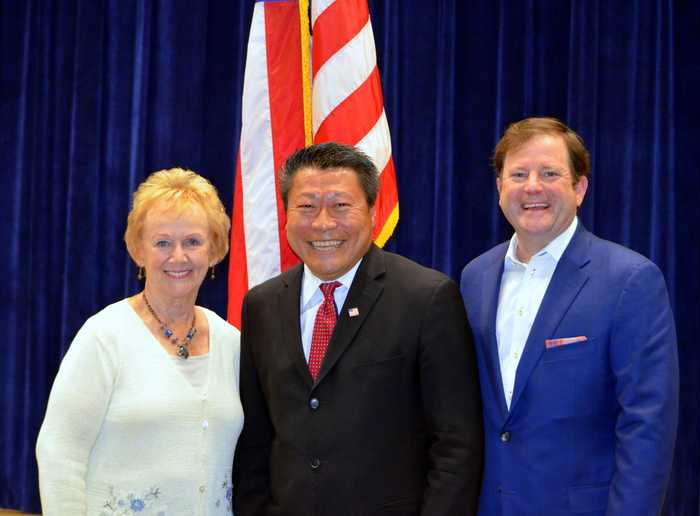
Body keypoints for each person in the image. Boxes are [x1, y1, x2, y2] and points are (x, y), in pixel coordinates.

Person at [233, 142, 483, 516]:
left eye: (340, 205)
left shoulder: (426, 298)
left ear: (372, 211)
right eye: (306, 206)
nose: (322, 223)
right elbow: (254, 439)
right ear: (285, 215)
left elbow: (456, 445)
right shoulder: (261, 305)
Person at [461, 117, 679, 515]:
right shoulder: (474, 277)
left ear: (579, 188)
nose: (532, 187)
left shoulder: (630, 280)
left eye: (550, 173)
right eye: (518, 174)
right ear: (499, 187)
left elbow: (647, 425)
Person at [36, 168, 243, 515]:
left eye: (193, 241)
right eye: (162, 242)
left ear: (215, 250)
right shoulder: (104, 336)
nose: (178, 257)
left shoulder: (232, 343)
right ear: (138, 251)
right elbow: (59, 454)